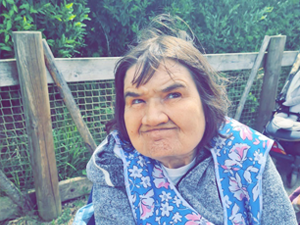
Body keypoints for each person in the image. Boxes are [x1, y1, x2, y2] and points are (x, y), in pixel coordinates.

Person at [74, 14, 297, 225]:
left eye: (173, 95)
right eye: (137, 101)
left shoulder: (249, 155)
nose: (153, 118)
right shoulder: (113, 164)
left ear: (206, 100)